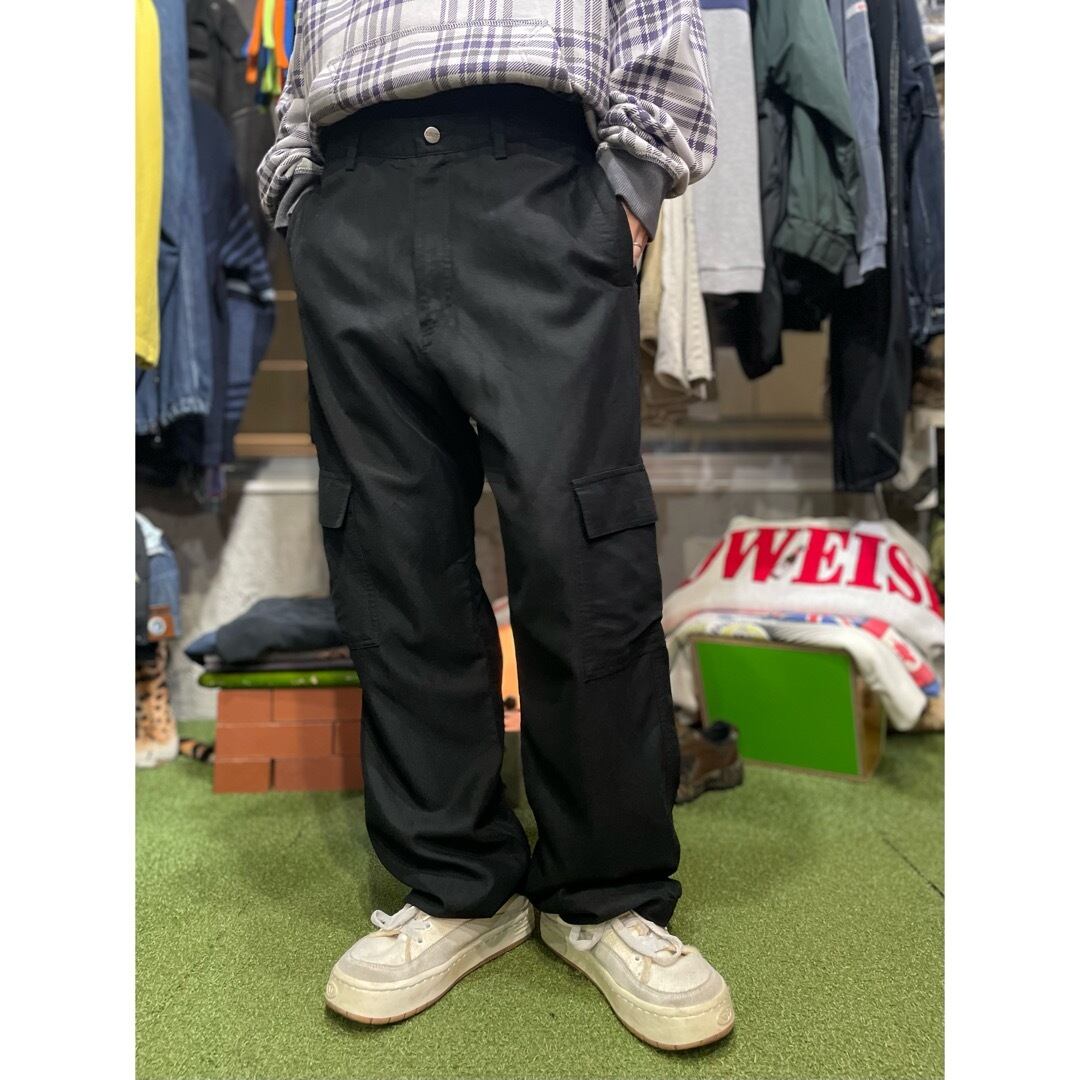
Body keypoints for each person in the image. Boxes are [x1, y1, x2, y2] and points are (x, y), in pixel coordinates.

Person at [258, 0, 733, 1051]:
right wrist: (303, 194)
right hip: (353, 187)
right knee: (391, 553)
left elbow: (661, 22)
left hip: (540, 177)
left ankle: (605, 892)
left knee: (581, 544)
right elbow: (299, 52)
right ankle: (455, 884)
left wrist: (627, 192)